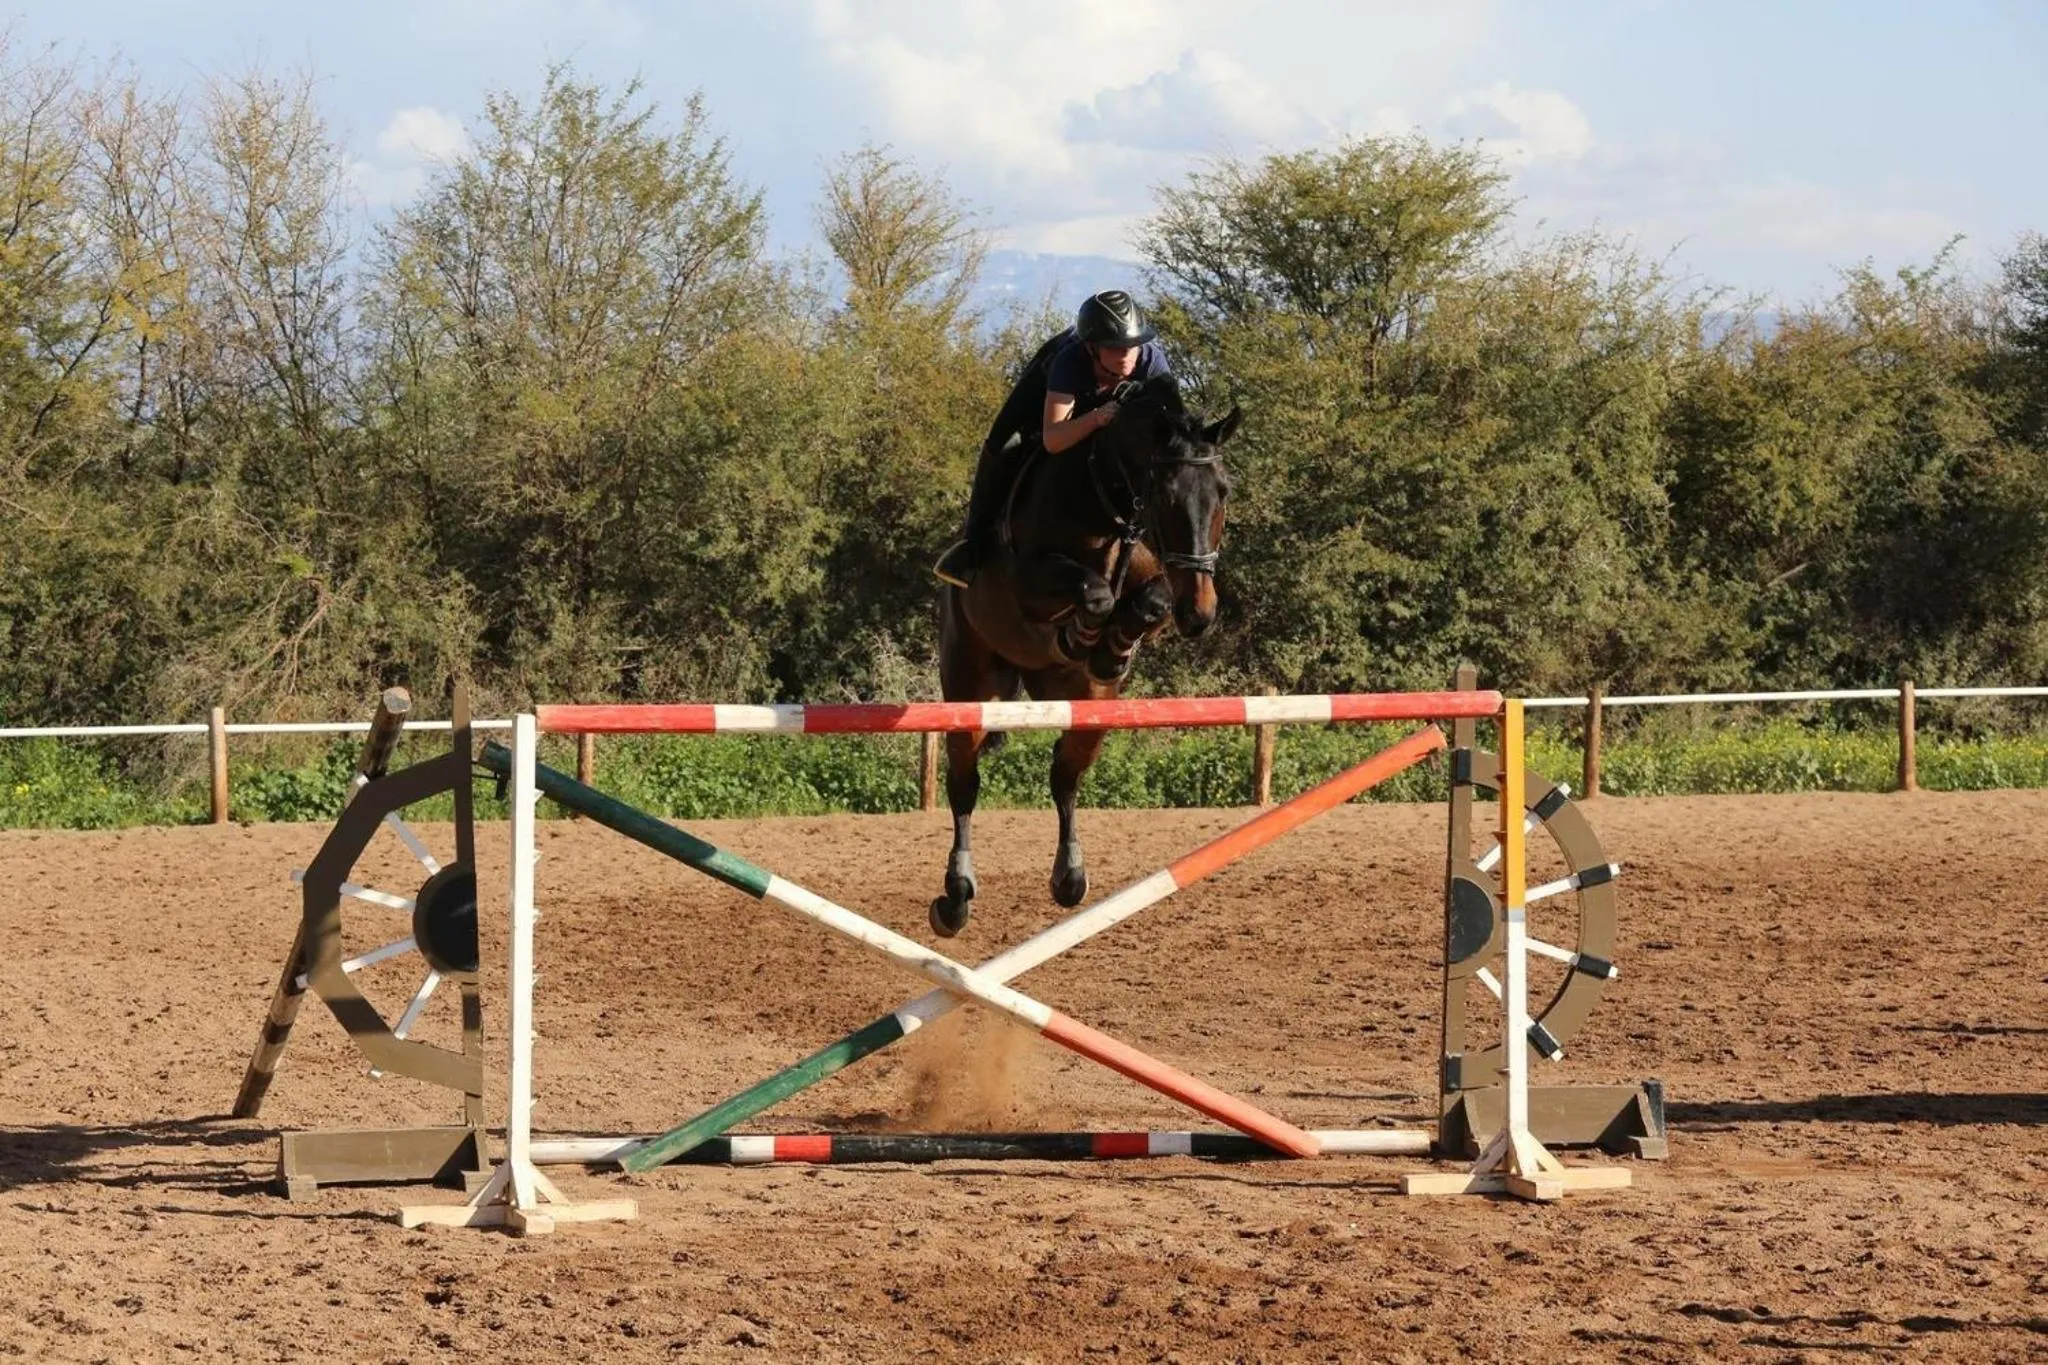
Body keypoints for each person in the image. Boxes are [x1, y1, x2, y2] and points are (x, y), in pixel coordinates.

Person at [933, 290, 1172, 587]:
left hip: (1110, 416)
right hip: (1044, 397)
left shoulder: (1152, 363)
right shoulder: (1069, 361)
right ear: (1092, 347)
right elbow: (1054, 439)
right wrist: (1097, 417)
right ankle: (973, 544)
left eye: (1132, 346)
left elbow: (1172, 432)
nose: (1126, 355)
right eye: (1115, 347)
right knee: (1003, 443)